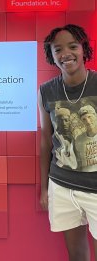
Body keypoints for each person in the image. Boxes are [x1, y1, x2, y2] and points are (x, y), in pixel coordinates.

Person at [38, 24, 97, 261]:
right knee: (76, 255)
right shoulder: (46, 91)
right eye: (57, 49)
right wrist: (44, 188)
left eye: (72, 46)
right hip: (62, 185)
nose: (65, 54)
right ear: (51, 56)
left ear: (83, 49)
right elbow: (45, 141)